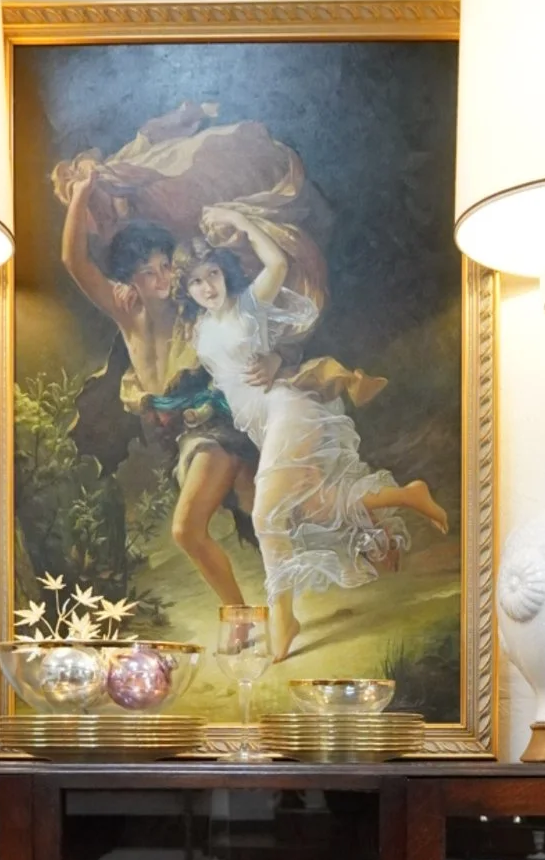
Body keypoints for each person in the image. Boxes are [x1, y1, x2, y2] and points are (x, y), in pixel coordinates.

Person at [180, 203, 448, 663]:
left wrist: (241, 223)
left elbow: (277, 264)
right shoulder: (199, 329)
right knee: (308, 506)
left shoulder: (248, 305)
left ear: (224, 273)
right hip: (262, 422)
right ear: (187, 290)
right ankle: (404, 495)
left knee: (266, 516)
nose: (208, 287)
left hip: (288, 405)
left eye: (212, 275)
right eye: (196, 282)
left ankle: (283, 618)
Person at [60, 164, 259, 611]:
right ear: (128, 280)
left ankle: (240, 616)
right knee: (262, 511)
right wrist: (81, 193)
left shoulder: (194, 308)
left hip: (215, 428)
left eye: (166, 267)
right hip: (176, 439)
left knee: (188, 530)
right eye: (148, 272)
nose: (163, 278)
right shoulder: (126, 312)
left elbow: (243, 321)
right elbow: (74, 261)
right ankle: (373, 521)